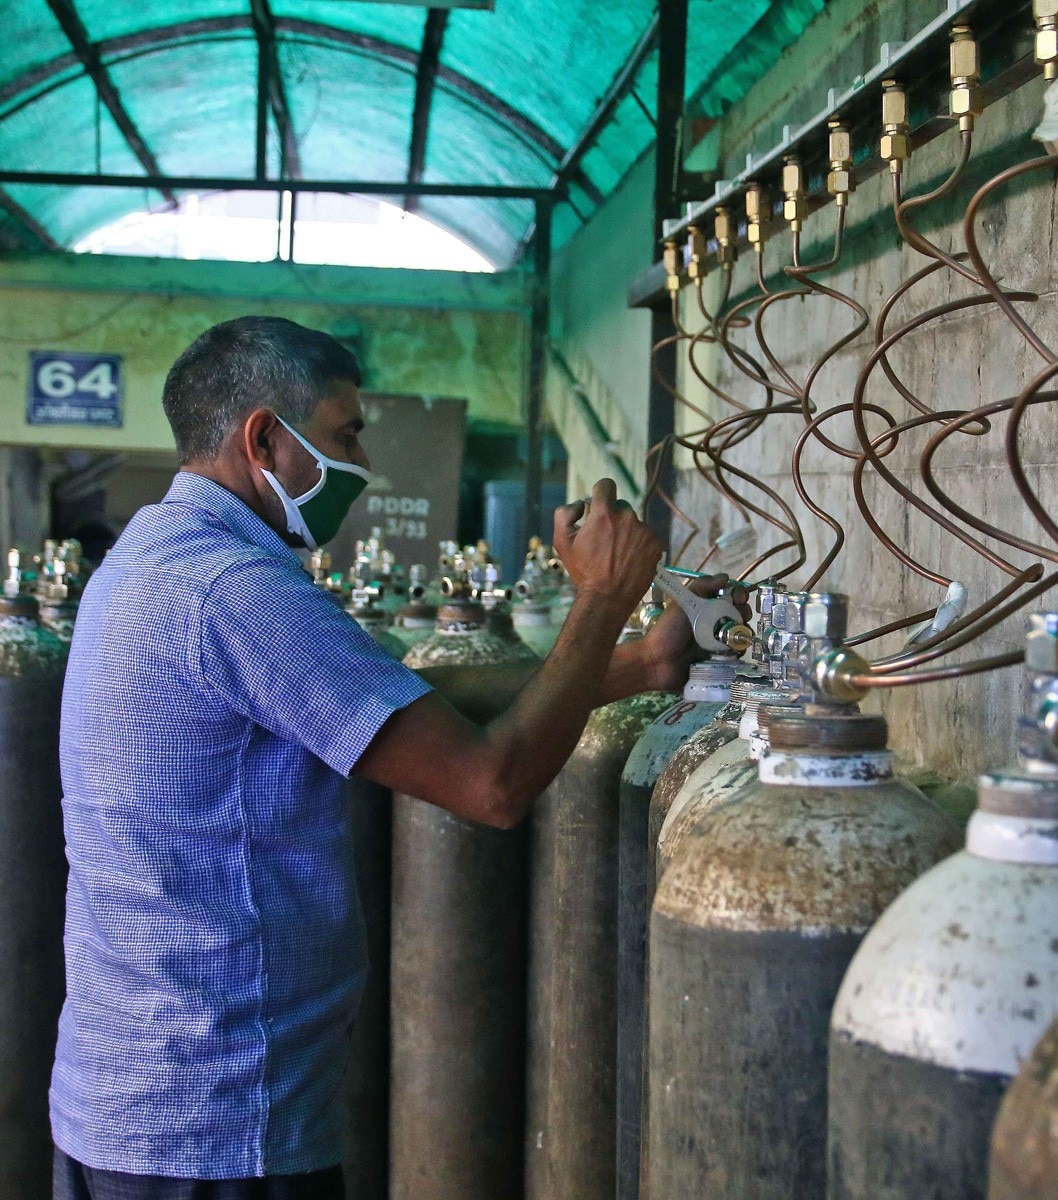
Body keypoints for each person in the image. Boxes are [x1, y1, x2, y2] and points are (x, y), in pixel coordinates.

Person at [50, 316, 726, 1200]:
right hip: (214, 1116)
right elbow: (489, 784)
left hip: (129, 1090)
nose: (363, 461)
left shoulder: (156, 557)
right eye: (345, 434)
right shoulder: (234, 590)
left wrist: (639, 664)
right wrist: (600, 601)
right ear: (263, 437)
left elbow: (393, 703)